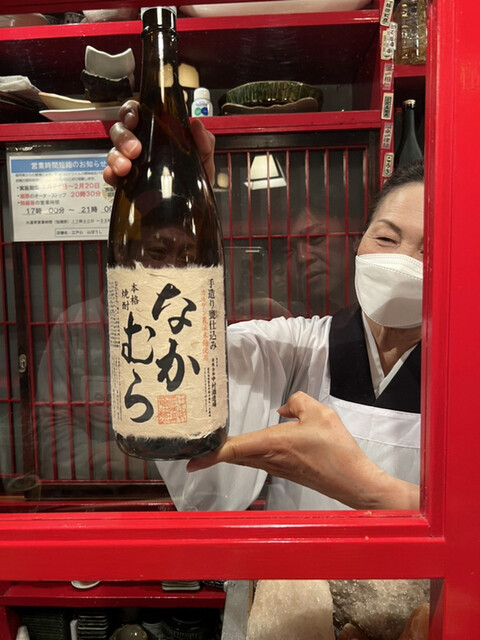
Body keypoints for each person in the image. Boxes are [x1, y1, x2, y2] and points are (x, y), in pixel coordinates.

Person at [104, 100, 424, 513]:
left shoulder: (465, 375)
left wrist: (375, 493)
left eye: (430, 248)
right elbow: (181, 362)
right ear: (359, 243)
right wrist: (176, 215)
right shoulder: (301, 348)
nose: (402, 261)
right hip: (297, 559)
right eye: (386, 239)